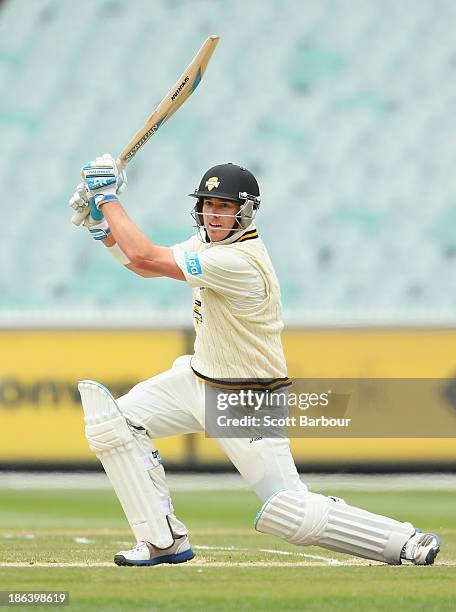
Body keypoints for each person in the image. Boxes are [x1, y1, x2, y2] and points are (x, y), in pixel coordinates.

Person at [69, 154, 440, 567]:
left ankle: (404, 541)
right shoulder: (209, 244)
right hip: (196, 378)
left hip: (245, 399)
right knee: (112, 423)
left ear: (245, 211)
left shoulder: (239, 261)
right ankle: (162, 539)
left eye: (224, 207)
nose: (213, 215)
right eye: (208, 205)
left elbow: (146, 257)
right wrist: (100, 227)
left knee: (289, 511)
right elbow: (143, 267)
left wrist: (108, 198)